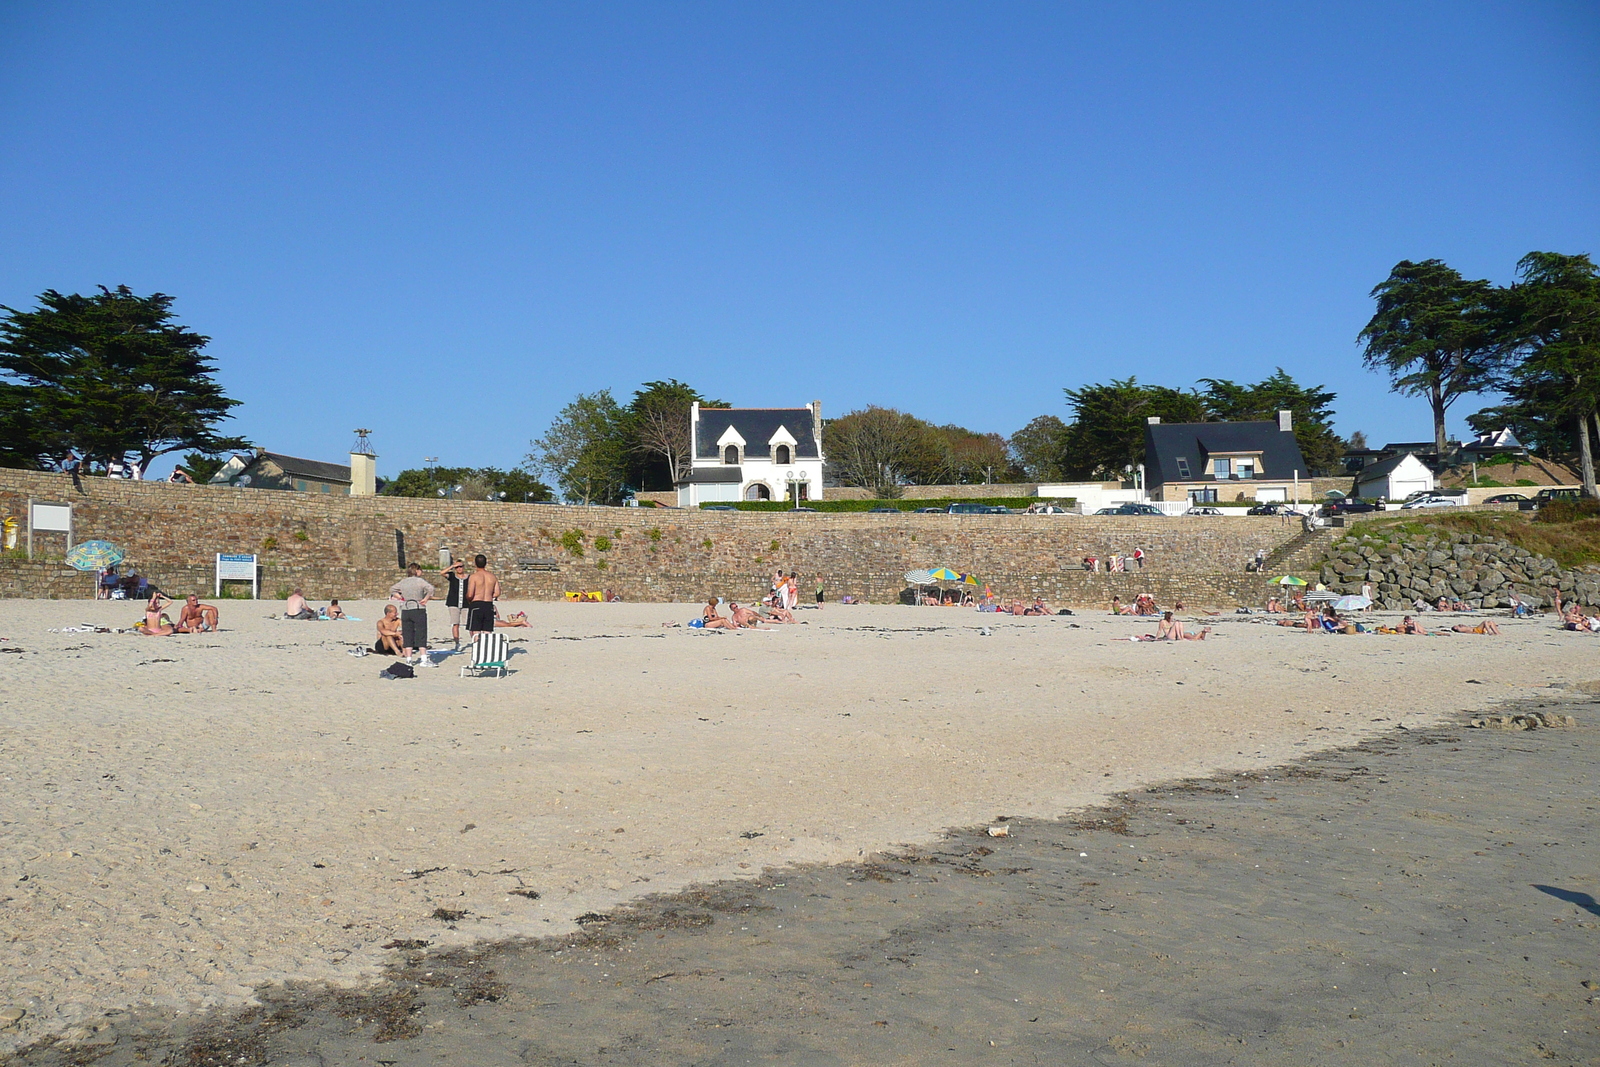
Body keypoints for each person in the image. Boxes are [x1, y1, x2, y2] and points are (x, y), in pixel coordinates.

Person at [389, 563, 435, 659]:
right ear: (417, 571)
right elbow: (431, 588)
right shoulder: (419, 581)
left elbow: (392, 589)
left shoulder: (403, 582)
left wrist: (400, 597)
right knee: (421, 633)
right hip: (418, 608)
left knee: (407, 633)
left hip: (406, 609)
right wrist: (426, 598)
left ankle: (409, 658)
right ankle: (423, 658)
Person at [464, 554, 500, 639]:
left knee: (475, 630)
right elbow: (497, 593)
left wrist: (469, 599)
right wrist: (488, 595)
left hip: (477, 603)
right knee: (487, 631)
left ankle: (477, 648)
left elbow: (470, 594)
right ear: (486, 563)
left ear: (475, 563)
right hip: (488, 604)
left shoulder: (474, 577)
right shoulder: (492, 577)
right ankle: (486, 649)